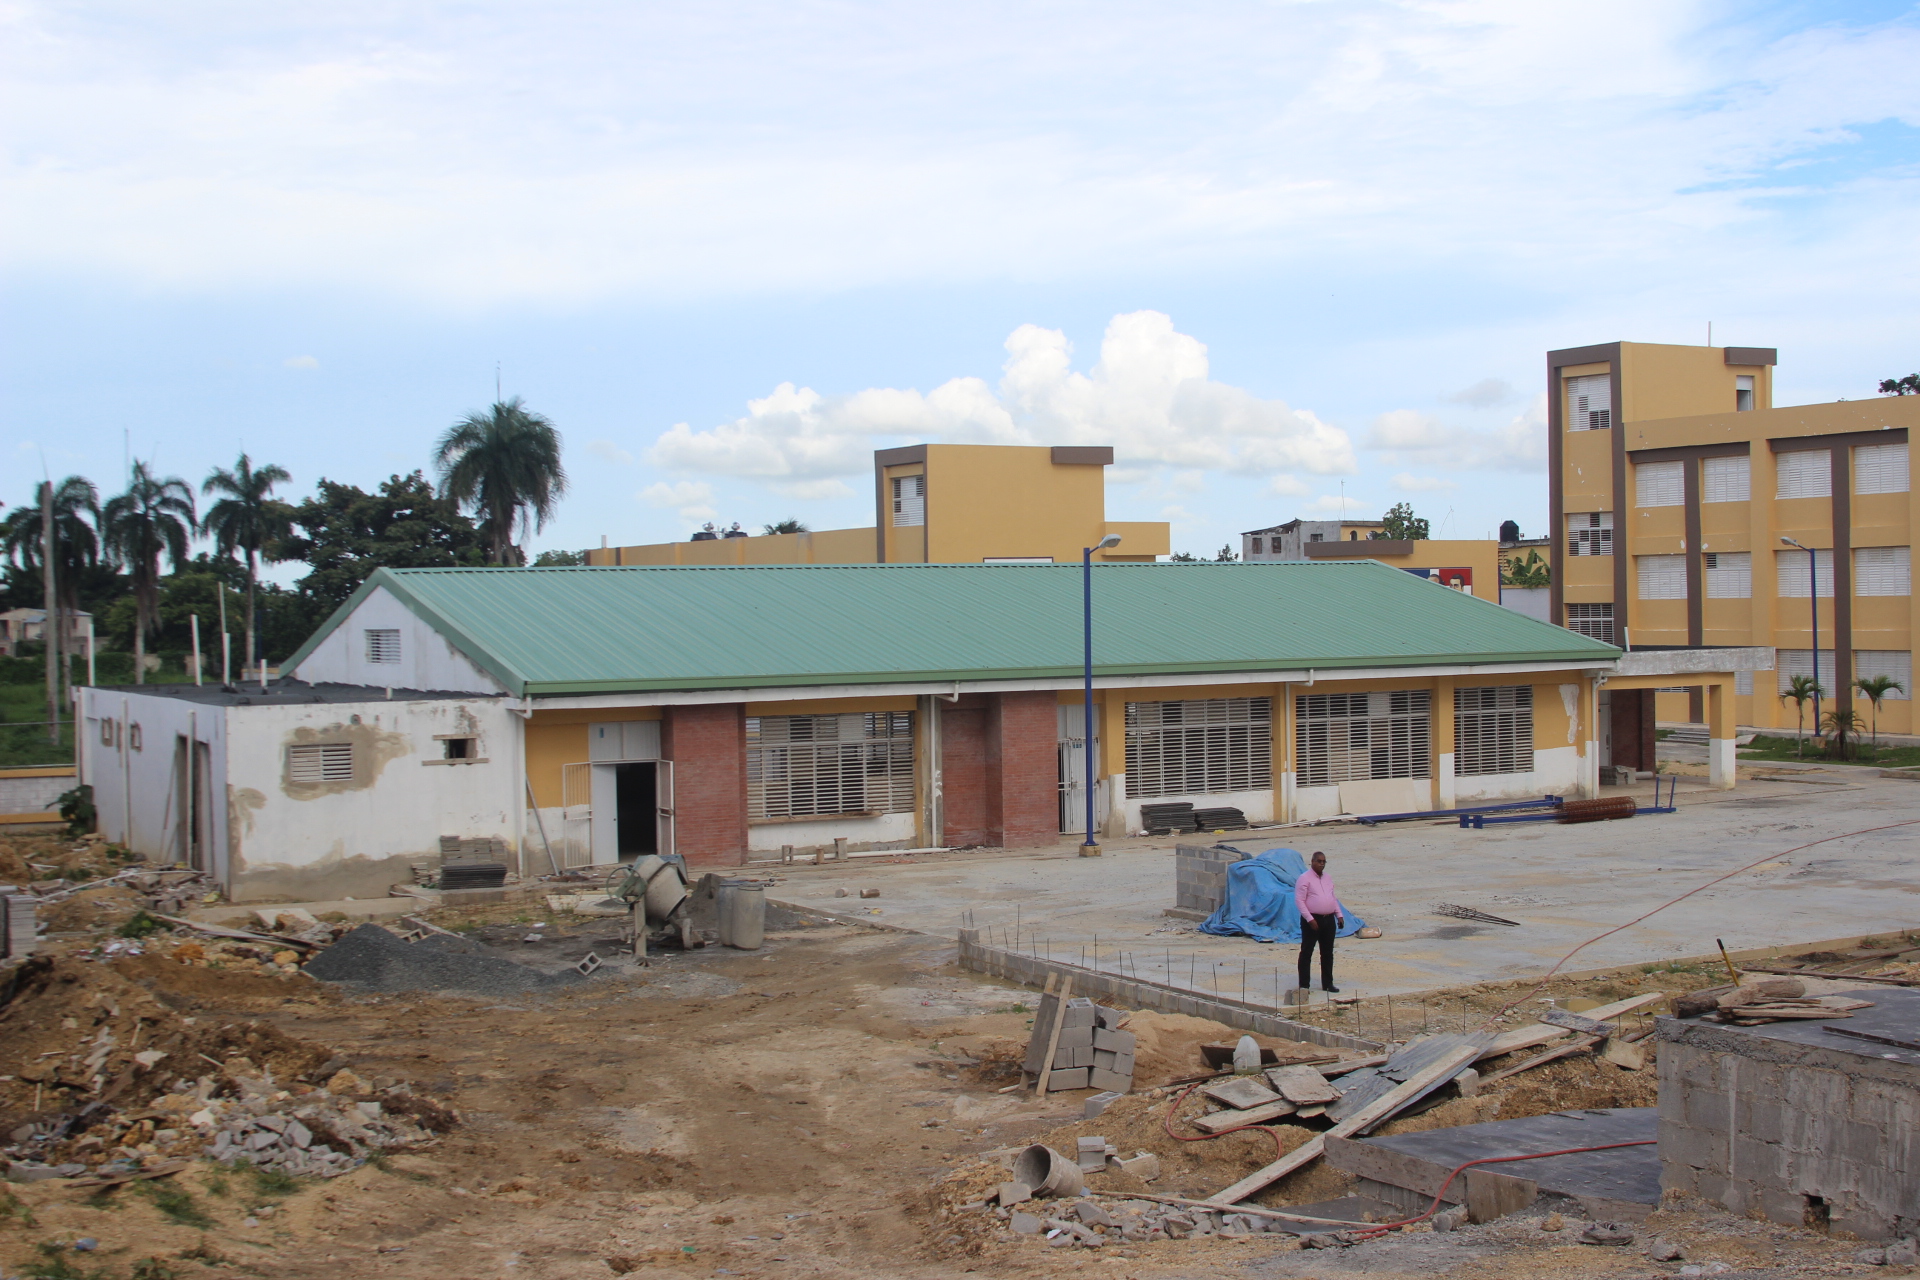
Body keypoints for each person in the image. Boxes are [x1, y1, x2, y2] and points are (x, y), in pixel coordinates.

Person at [1295, 850, 1341, 993]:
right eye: (1319, 861)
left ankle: (1328, 984)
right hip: (1312, 921)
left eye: (1323, 862)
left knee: (1327, 953)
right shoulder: (1304, 878)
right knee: (1307, 952)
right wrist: (1310, 919)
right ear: (1312, 861)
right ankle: (1304, 985)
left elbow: (1332, 897)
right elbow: (1300, 901)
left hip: (1328, 919)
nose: (1321, 864)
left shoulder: (1328, 878)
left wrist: (1339, 915)